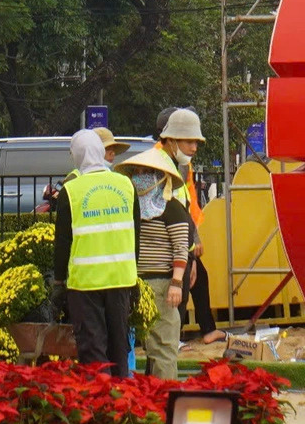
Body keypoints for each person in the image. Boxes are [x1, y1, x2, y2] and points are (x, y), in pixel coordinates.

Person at [51, 129, 140, 379]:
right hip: (122, 280)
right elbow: (136, 236)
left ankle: (100, 408)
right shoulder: (126, 184)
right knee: (119, 349)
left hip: (86, 284)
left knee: (93, 352)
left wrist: (59, 281)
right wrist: (134, 276)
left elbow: (62, 243)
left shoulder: (72, 190)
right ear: (102, 152)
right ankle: (124, 406)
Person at [154, 106, 225, 352]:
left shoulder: (179, 162)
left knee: (192, 282)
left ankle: (187, 335)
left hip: (181, 242)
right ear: (170, 138)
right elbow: (176, 212)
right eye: (189, 141)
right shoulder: (162, 164)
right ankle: (172, 340)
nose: (194, 148)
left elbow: (187, 204)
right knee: (178, 291)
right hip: (172, 245)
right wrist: (190, 250)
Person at [120, 145, 191, 380]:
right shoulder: (132, 207)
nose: (140, 177)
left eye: (145, 172)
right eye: (137, 172)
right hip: (136, 284)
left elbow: (181, 248)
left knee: (163, 347)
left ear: (161, 177)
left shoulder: (172, 208)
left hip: (162, 284)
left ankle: (163, 397)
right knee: (145, 347)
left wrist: (176, 283)